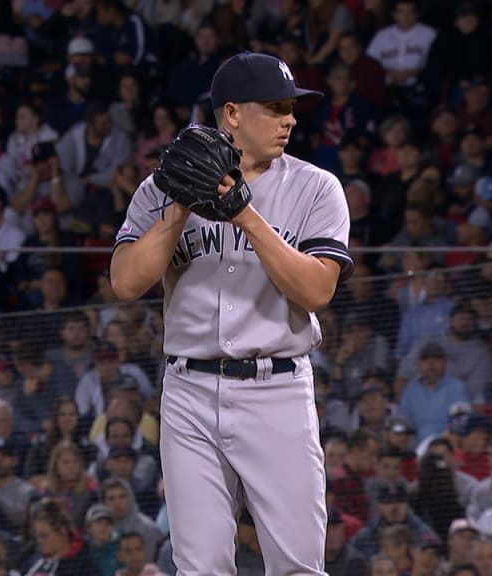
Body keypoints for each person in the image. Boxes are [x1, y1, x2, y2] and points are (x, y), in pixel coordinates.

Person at [110, 51, 352, 575]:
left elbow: (316, 291)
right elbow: (126, 282)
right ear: (233, 114)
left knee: (297, 567)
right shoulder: (161, 188)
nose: (290, 118)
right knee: (199, 568)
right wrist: (179, 205)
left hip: (278, 391)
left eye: (291, 107)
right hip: (189, 392)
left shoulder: (316, 188)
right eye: (275, 107)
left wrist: (243, 212)